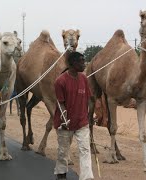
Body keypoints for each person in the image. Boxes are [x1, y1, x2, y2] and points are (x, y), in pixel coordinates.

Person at [53, 52, 94, 180]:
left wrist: (91, 116)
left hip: (82, 122)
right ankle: (61, 174)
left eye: (84, 61)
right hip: (65, 124)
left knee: (85, 150)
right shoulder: (60, 81)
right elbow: (60, 103)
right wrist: (64, 120)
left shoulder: (84, 79)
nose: (84, 64)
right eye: (81, 61)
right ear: (72, 64)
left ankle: (86, 178)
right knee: (63, 152)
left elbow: (88, 99)